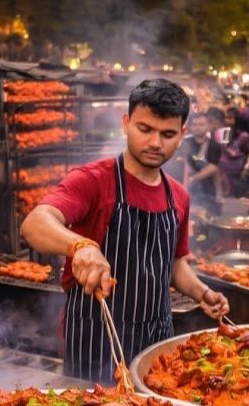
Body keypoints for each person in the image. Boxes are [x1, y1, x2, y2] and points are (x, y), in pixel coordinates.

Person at [19, 79, 229, 383]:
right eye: (145, 129)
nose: (156, 143)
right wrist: (80, 246)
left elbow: (174, 265)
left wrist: (203, 293)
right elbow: (35, 224)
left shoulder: (178, 196)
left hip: (156, 339)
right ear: (126, 123)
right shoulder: (93, 181)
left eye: (167, 134)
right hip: (95, 338)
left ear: (182, 135)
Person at [179, 113, 223, 216]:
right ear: (189, 127)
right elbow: (184, 165)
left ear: (208, 126)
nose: (198, 127)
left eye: (201, 124)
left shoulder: (214, 145)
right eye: (194, 125)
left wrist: (192, 179)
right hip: (188, 190)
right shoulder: (185, 143)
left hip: (208, 191)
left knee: (208, 218)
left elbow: (213, 168)